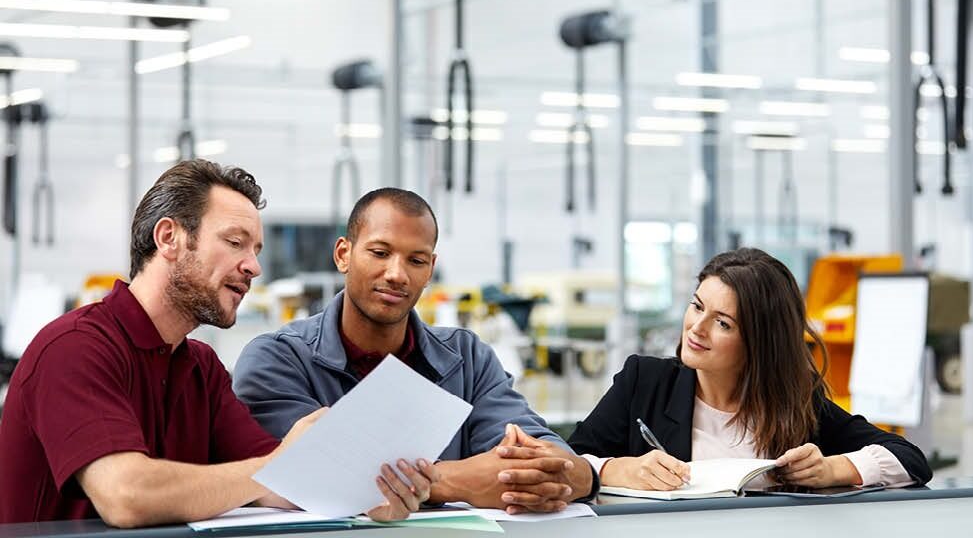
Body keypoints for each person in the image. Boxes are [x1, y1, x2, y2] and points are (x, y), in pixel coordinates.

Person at [0, 160, 432, 526]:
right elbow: (125, 494)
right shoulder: (75, 348)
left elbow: (284, 483)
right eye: (235, 242)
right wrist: (277, 467)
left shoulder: (201, 368)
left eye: (257, 248)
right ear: (169, 238)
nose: (254, 267)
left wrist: (366, 492)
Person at [233, 188, 596, 514]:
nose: (397, 274)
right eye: (380, 252)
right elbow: (316, 479)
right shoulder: (278, 360)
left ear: (431, 269)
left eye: (416, 261)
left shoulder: (466, 358)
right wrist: (455, 481)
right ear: (344, 254)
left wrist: (579, 473)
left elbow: (546, 458)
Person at [568, 248, 932, 491]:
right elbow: (568, 463)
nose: (697, 328)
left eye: (723, 323)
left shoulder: (796, 403)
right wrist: (617, 470)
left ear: (759, 343)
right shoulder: (644, 382)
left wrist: (833, 469)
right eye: (697, 307)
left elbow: (909, 459)